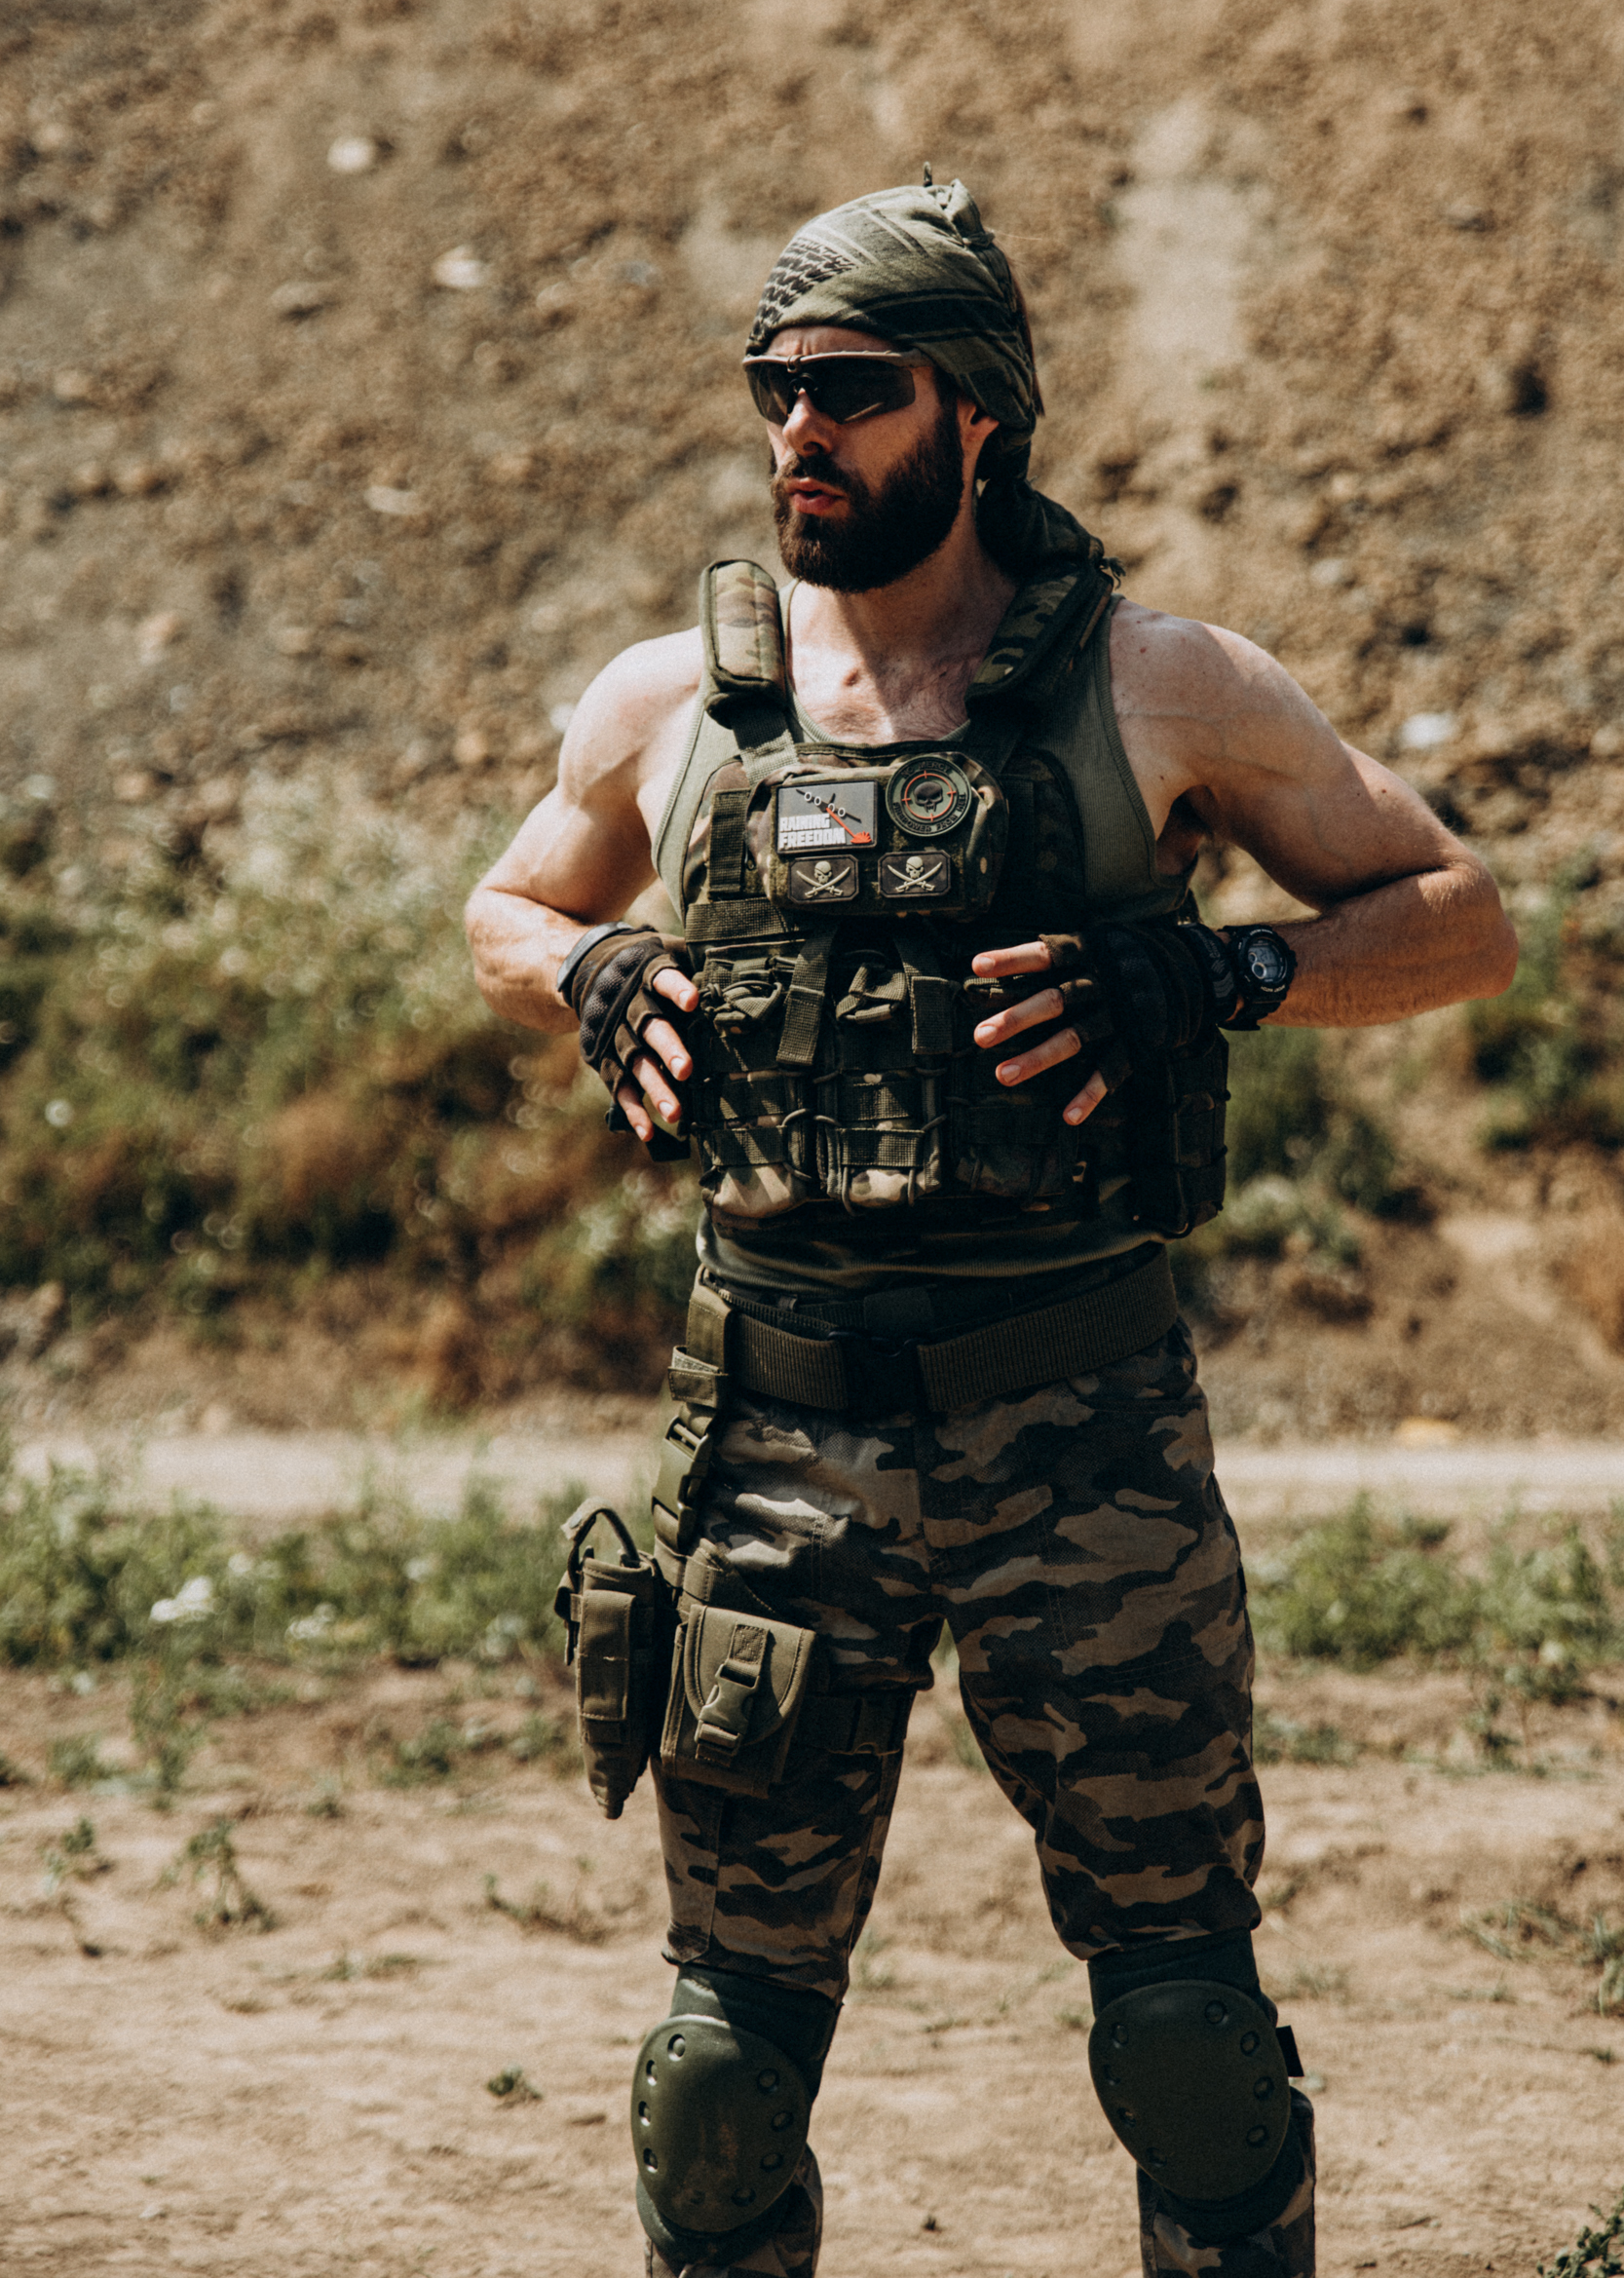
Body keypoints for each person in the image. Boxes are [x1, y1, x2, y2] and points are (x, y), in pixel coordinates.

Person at [465, 175, 1516, 2278]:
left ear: (979, 415)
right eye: (774, 386)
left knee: (1190, 2046)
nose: (799, 429)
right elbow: (508, 902)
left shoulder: (1165, 684)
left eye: (851, 387)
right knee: (718, 2086)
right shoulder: (667, 700)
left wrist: (1222, 973)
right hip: (771, 1448)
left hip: (1084, 1438)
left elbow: (1456, 917)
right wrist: (589, 971)